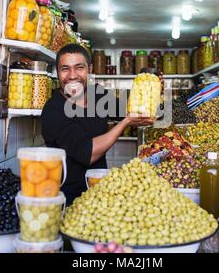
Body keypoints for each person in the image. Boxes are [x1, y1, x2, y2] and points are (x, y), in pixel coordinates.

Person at [41, 44, 154, 205]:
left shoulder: (97, 95)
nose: (72, 75)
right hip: (66, 198)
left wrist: (150, 85)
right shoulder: (54, 110)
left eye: (79, 67)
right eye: (65, 69)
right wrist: (126, 122)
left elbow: (130, 110)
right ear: (57, 71)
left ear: (90, 69)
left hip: (99, 192)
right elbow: (89, 153)